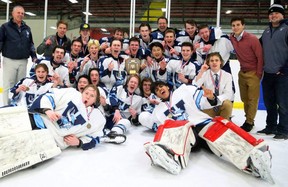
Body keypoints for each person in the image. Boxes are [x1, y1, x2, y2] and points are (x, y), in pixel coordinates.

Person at [143, 81, 273, 183]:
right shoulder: (158, 110)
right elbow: (156, 125)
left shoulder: (182, 91)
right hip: (187, 134)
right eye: (157, 90)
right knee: (179, 133)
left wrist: (210, 97)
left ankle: (251, 160)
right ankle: (170, 157)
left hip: (201, 124)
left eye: (161, 86)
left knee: (221, 139)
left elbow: (203, 102)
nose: (160, 89)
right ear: (157, 95)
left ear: (167, 86)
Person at [28, 85, 126, 150]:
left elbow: (94, 138)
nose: (87, 97)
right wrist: (48, 110)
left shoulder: (98, 119)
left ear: (95, 101)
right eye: (86, 93)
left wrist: (79, 142)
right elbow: (49, 96)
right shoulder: (71, 93)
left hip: (52, 141)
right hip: (39, 121)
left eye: (92, 96)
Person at [257, 4, 288, 140]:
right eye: (271, 14)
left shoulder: (287, 29)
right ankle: (271, 126)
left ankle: (284, 130)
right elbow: (257, 48)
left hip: (282, 74)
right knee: (269, 103)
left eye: (276, 13)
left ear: (282, 15)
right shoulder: (266, 31)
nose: (273, 15)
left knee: (283, 104)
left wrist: (284, 69)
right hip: (268, 74)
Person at [230, 17, 264, 132]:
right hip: (242, 72)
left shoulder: (252, 39)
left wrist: (259, 73)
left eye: (238, 25)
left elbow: (260, 56)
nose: (236, 27)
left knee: (252, 99)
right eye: (233, 25)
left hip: (253, 72)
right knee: (244, 99)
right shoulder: (232, 38)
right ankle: (248, 119)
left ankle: (249, 121)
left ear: (243, 26)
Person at [0, 5, 37, 106]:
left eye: (22, 13)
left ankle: (18, 107)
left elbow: (31, 44)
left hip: (23, 61)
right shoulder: (5, 27)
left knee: (21, 86)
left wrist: (34, 56)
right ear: (12, 13)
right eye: (18, 12)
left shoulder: (27, 29)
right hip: (9, 61)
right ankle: (6, 106)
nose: (20, 15)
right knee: (9, 85)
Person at [193, 52, 234, 120]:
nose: (214, 62)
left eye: (216, 60)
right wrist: (201, 71)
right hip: (208, 106)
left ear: (220, 62)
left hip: (221, 104)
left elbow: (229, 94)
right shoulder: (204, 73)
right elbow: (195, 85)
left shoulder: (227, 75)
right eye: (212, 61)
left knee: (228, 104)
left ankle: (223, 124)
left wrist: (215, 99)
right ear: (208, 63)